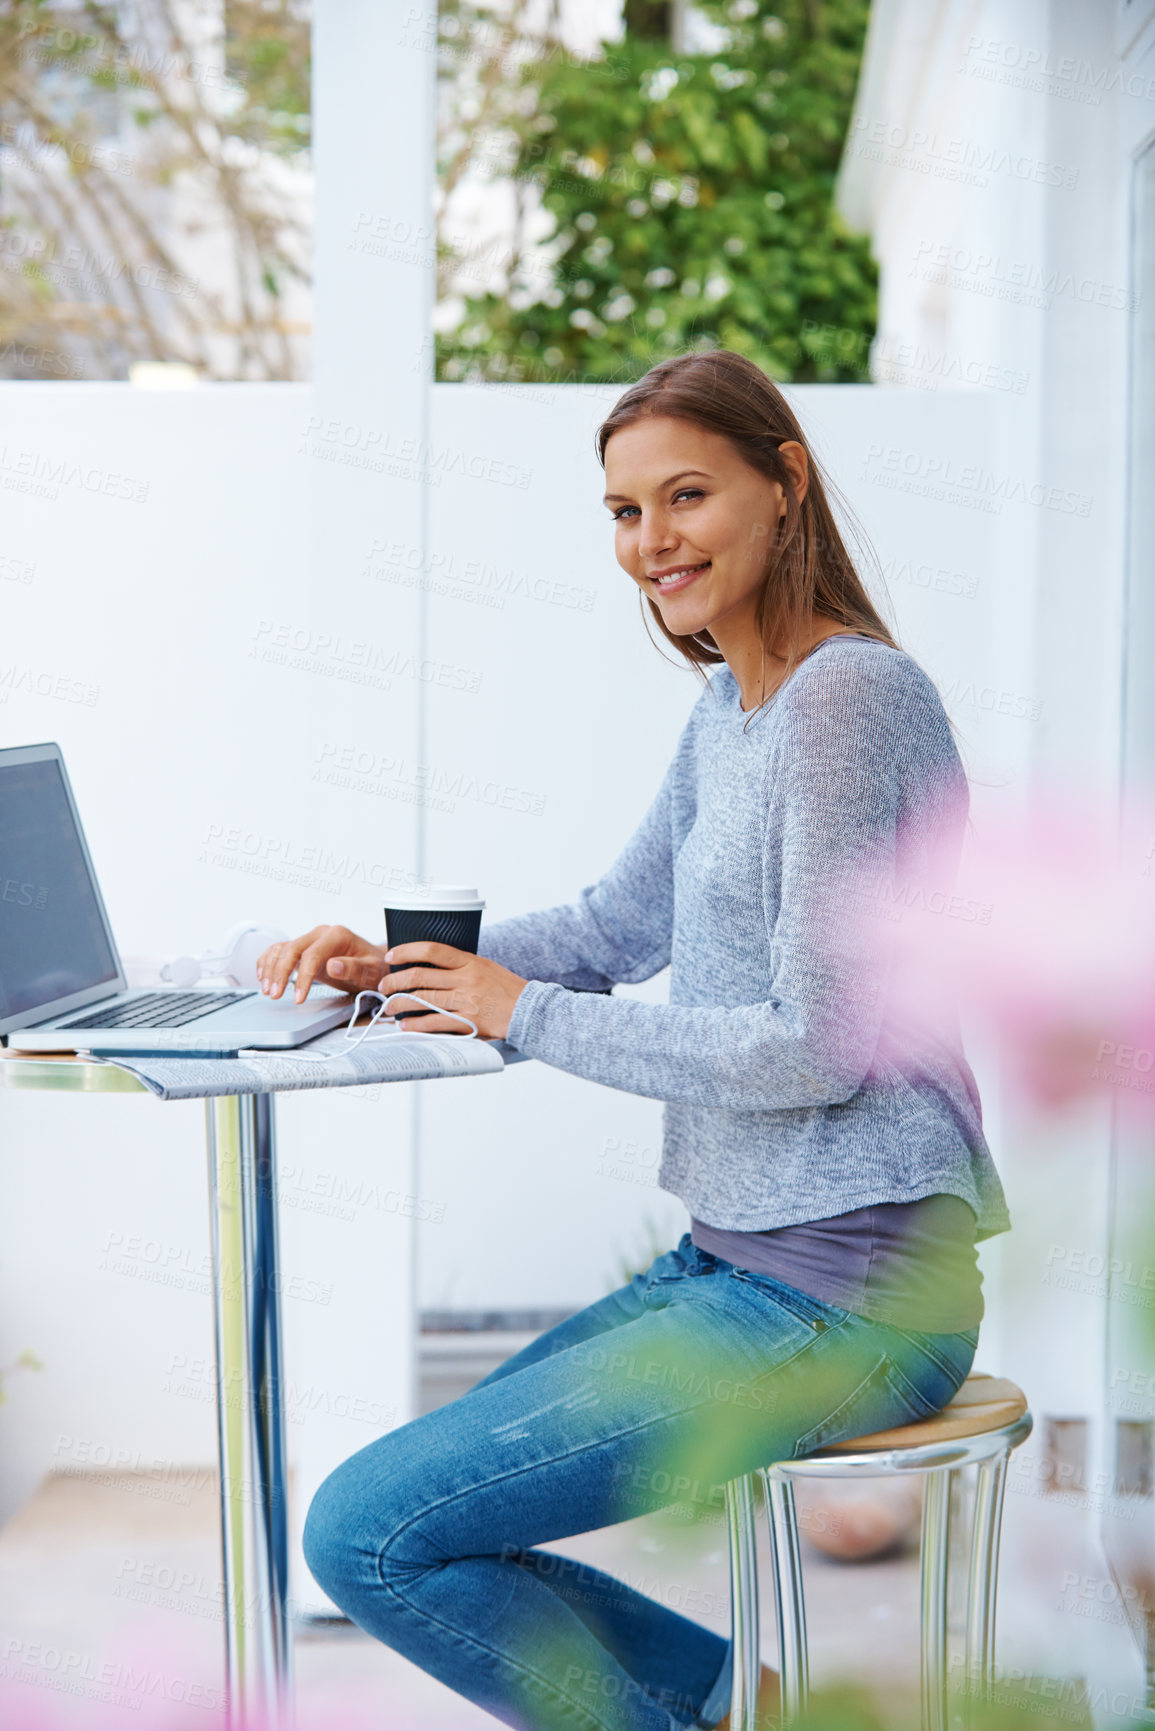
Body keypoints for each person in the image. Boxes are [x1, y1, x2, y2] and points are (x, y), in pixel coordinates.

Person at [256, 350, 1011, 1730]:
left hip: (855, 1295)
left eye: (684, 496)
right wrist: (403, 966)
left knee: (367, 1534)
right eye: (621, 511)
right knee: (413, 1516)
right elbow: (616, 924)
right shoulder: (730, 701)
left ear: (784, 485)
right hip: (732, 1263)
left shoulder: (852, 701)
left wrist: (518, 1016)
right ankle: (743, 1706)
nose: (650, 540)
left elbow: (815, 1049)